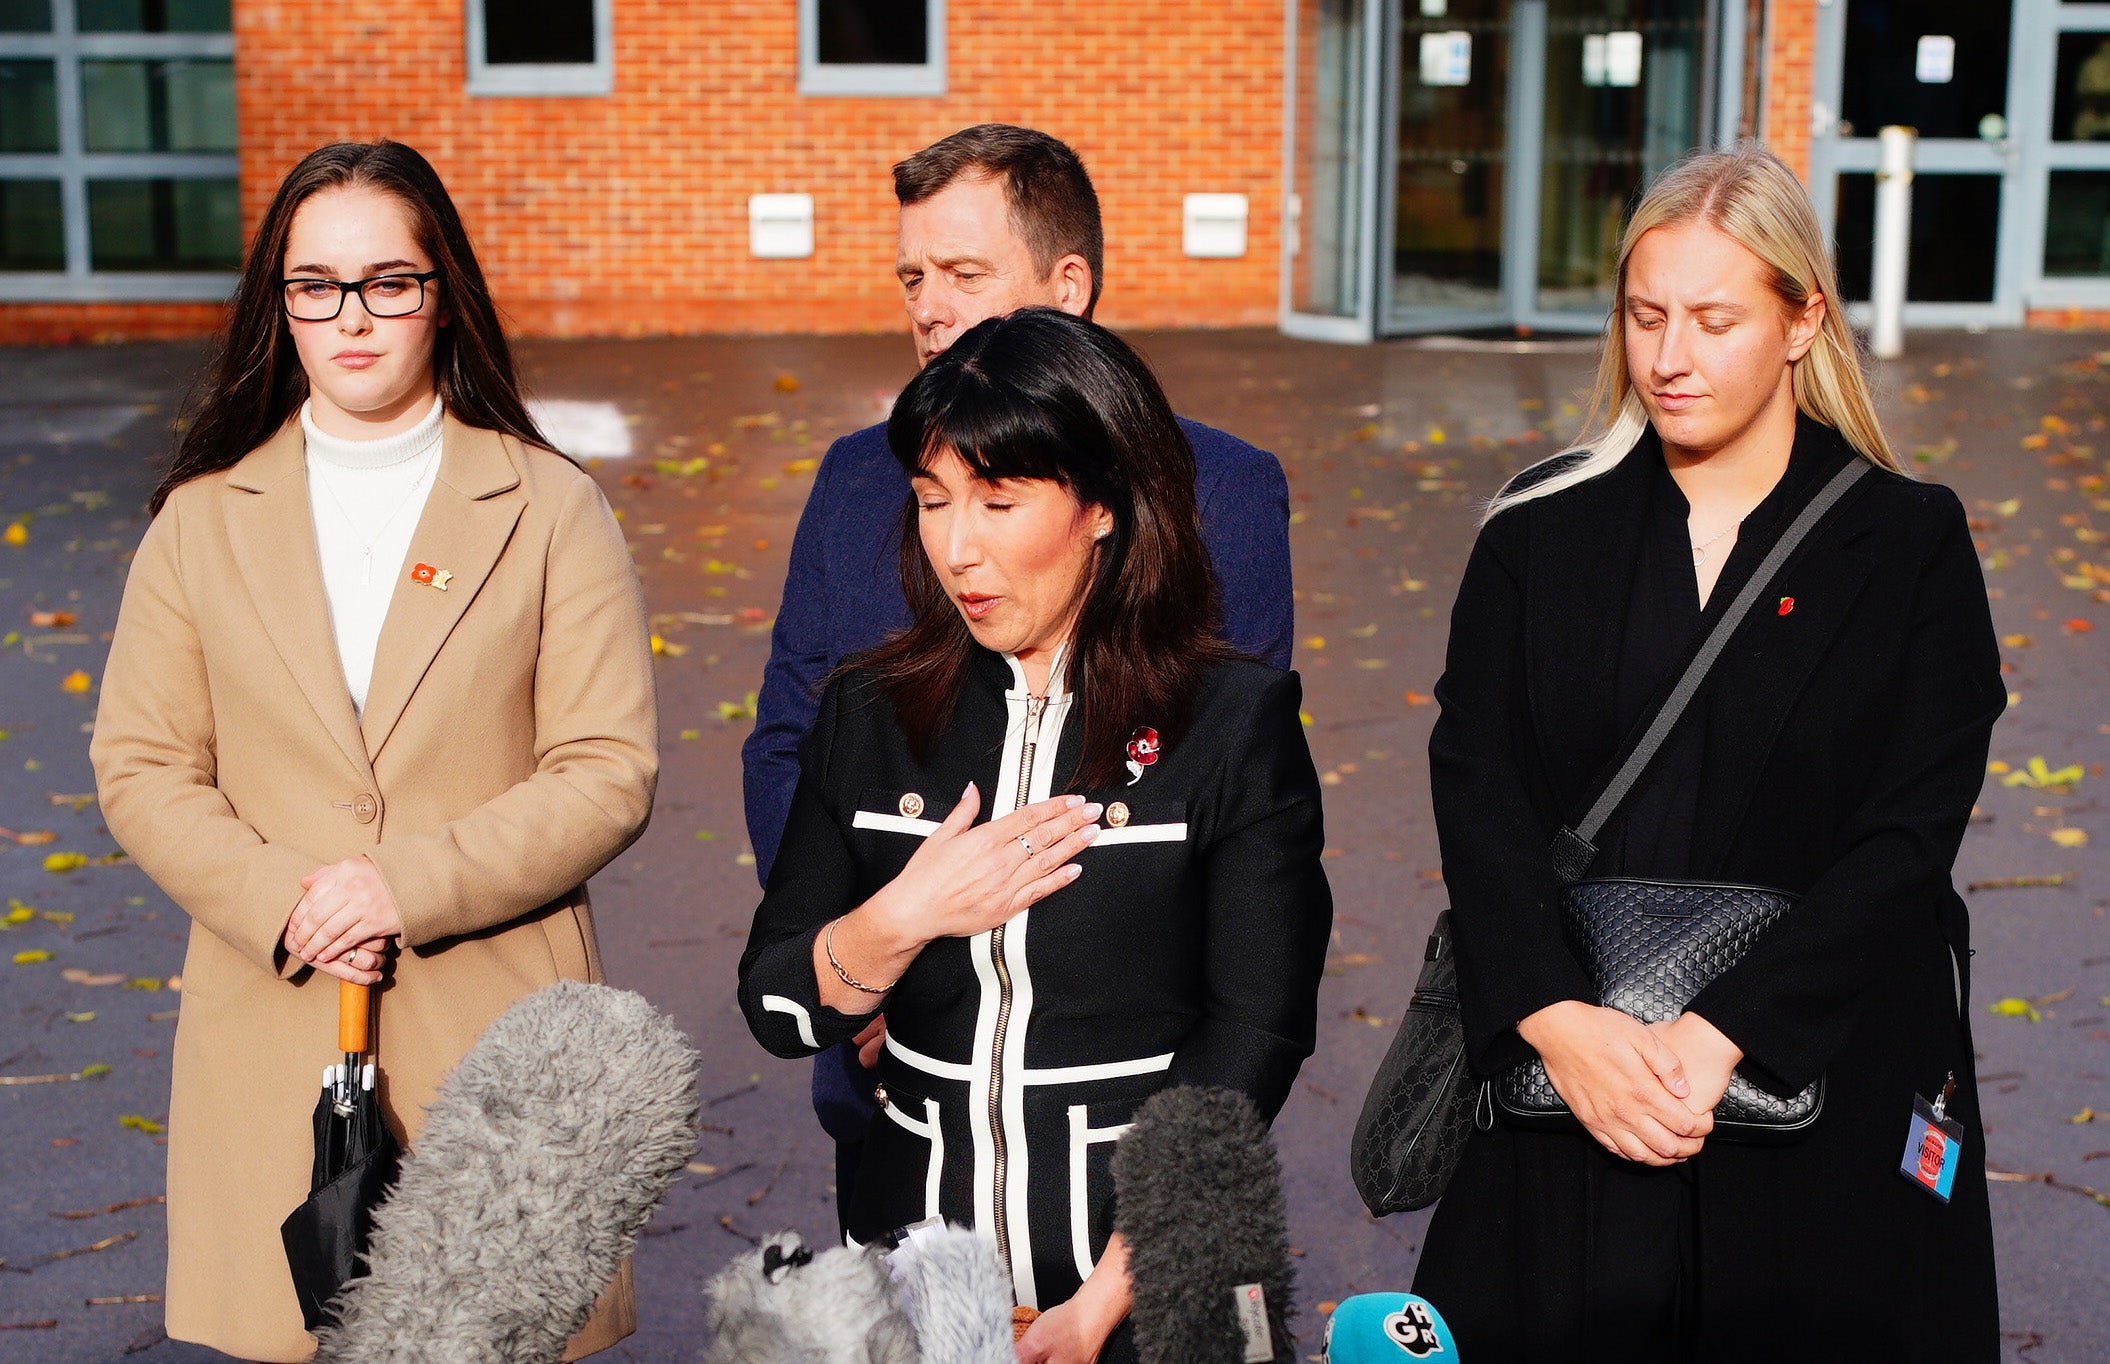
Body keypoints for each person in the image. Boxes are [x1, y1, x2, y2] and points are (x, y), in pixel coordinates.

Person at [1412, 141, 2003, 1360]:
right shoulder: (1536, 533)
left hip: (1821, 1089)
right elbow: (1478, 792)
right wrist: (1554, 1020)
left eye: (1715, 318)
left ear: (1802, 320)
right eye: (1644, 315)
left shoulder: (1909, 543)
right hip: (1573, 1088)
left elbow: (1908, 834)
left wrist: (1722, 1029)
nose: (1669, 356)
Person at [90, 141, 656, 1362]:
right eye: (316, 285)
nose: (351, 316)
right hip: (275, 1011)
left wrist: (405, 883)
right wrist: (287, 902)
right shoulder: (199, 519)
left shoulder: (550, 504)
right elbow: (141, 763)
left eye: (388, 282)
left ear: (441, 291)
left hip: (492, 1022)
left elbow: (607, 765)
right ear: (277, 304)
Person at [737, 307, 1331, 1364]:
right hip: (911, 1274)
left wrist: (1110, 1291)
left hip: (1148, 1281)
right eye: (932, 501)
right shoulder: (865, 711)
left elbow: (1256, 1031)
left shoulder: (1231, 721)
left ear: (1101, 503)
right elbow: (777, 1003)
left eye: (999, 501)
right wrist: (904, 914)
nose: (957, 546)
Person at [742, 122, 1296, 1222]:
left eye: (963, 273)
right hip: (893, 1058)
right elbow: (791, 740)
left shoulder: (1219, 486)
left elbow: (1231, 778)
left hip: (1119, 1082)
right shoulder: (859, 478)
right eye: (911, 275)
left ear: (1067, 285)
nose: (928, 306)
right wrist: (866, 944)